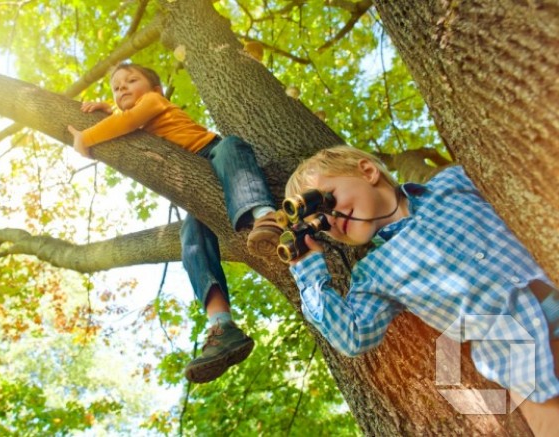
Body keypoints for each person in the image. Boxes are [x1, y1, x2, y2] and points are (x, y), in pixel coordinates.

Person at [284, 145, 559, 435]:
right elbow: (352, 336)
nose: (332, 219)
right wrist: (306, 266)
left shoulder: (452, 184)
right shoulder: (373, 272)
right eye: (321, 223)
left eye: (328, 199)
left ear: (368, 171)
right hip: (523, 363)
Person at [67, 62, 282, 383]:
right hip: (198, 182)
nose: (122, 88)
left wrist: (87, 136)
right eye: (116, 87)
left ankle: (265, 217)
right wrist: (109, 110)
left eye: (131, 80)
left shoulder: (154, 102)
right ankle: (223, 327)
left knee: (230, 146)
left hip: (213, 154)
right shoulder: (136, 114)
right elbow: (126, 121)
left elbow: (131, 121)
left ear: (156, 90)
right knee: (191, 236)